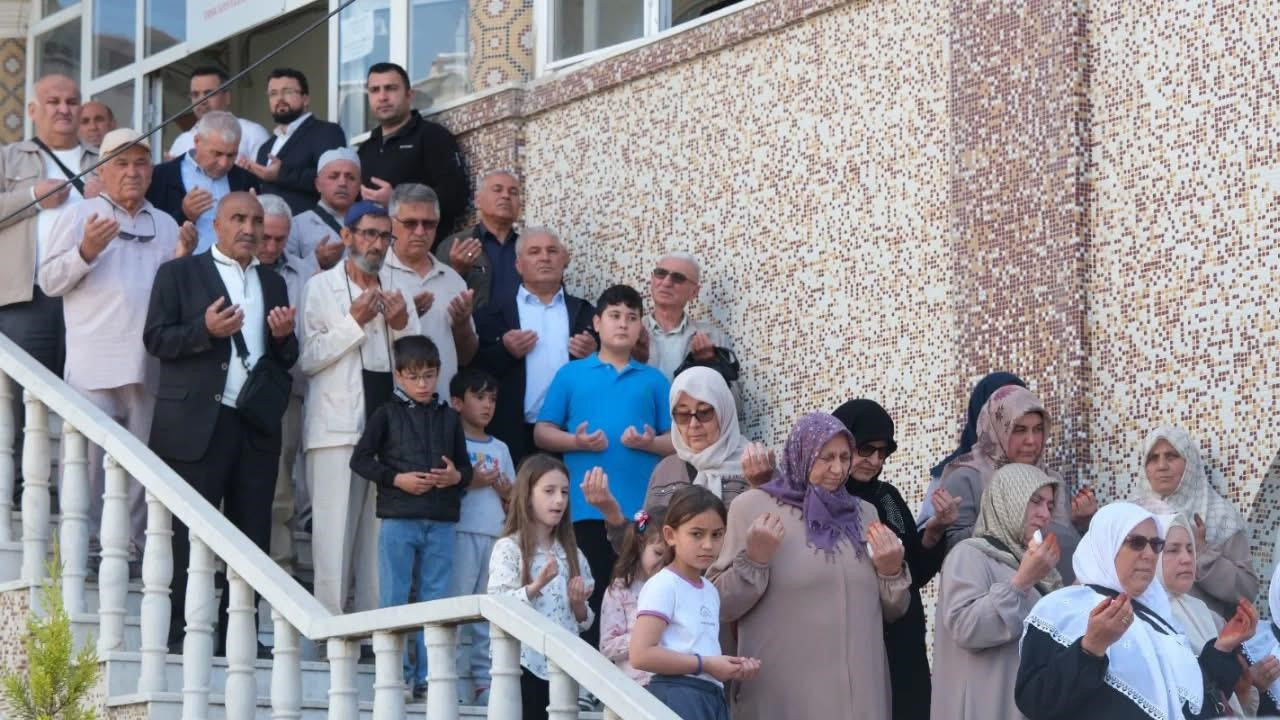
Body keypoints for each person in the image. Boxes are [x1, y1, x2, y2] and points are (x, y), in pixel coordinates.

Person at [143, 191, 298, 653]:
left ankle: (241, 636)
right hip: (194, 422)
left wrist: (284, 338)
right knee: (185, 533)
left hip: (254, 425)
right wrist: (203, 331)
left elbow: (284, 357)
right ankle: (178, 632)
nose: (249, 229)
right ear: (217, 224)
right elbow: (155, 339)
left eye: (256, 220)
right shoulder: (179, 273)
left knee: (252, 534)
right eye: (238, 218)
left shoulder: (274, 282)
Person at [39, 128, 194, 562]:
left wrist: (183, 262)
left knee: (143, 464)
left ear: (151, 172)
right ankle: (85, 549)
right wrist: (86, 250)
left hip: (149, 364)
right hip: (95, 361)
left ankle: (134, 548)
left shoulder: (165, 223)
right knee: (89, 464)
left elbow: (173, 296)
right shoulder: (79, 215)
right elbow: (49, 282)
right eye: (121, 164)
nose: (132, 172)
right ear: (102, 171)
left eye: (140, 163)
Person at [708, 412, 911, 720]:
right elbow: (718, 603)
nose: (838, 469)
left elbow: (894, 610)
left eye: (845, 457)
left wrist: (891, 571)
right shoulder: (753, 507)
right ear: (802, 453)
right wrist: (754, 560)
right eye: (826, 457)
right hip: (785, 697)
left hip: (861, 698)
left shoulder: (864, 514)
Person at [1016, 502, 1256, 719]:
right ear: (1107, 544)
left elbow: (1188, 702)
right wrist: (1090, 649)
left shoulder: (1159, 617)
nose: (1149, 554)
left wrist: (1222, 649)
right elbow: (1035, 702)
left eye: (1156, 544)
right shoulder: (1061, 608)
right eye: (1137, 543)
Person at [535, 284, 674, 647]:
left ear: (641, 327)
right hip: (583, 510)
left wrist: (649, 443)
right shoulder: (571, 375)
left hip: (642, 513)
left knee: (638, 592)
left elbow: (677, 442)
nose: (623, 324)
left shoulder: (654, 380)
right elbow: (542, 432)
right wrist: (576, 442)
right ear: (597, 323)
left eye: (632, 317)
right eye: (614, 316)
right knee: (588, 593)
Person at [299, 200, 419, 615]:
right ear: (347, 235)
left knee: (380, 542)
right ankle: (329, 630)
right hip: (337, 431)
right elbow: (309, 358)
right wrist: (353, 322)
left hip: (388, 433)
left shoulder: (397, 290)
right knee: (333, 538)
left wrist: (403, 326)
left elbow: (418, 363)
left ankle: (373, 631)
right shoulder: (320, 288)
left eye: (385, 236)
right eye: (369, 234)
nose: (377, 244)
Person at [350, 335, 471, 699]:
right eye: (414, 376)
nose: (422, 384)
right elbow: (360, 460)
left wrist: (455, 477)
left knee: (436, 602)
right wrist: (396, 479)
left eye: (429, 375)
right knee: (394, 596)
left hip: (441, 520)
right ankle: (396, 675)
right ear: (398, 376)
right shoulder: (386, 413)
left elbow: (465, 468)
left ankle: (429, 677)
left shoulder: (449, 417)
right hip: (398, 518)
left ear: (438, 373)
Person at [833, 398, 959, 720]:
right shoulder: (822, 503)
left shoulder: (886, 497)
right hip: (854, 642)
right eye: (866, 449)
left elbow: (913, 572)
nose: (875, 461)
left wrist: (934, 531)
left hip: (902, 638)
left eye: (883, 452)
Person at [931, 463, 1063, 720]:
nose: (1045, 514)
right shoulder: (969, 554)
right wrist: (1021, 583)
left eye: (1049, 506)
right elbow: (966, 627)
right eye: (1035, 501)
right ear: (1007, 499)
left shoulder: (1037, 567)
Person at [585, 367, 755, 551]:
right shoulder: (665, 470)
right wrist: (611, 512)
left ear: (724, 410)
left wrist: (759, 485)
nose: (693, 424)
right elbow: (644, 543)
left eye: (704, 412)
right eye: (682, 415)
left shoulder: (754, 464)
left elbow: (766, 541)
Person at [0, 73, 96, 398]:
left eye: (71, 102)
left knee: (85, 400)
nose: (64, 109)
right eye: (53, 102)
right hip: (26, 298)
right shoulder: (8, 157)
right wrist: (33, 197)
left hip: (90, 296)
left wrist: (107, 198)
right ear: (32, 110)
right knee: (22, 398)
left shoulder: (104, 161)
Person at [939, 384, 1094, 583]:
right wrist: (1004, 516)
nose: (1031, 440)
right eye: (1019, 430)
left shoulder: (1051, 479)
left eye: (1038, 429)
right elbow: (951, 552)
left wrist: (1081, 524)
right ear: (998, 429)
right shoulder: (967, 477)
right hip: (993, 591)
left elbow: (1063, 544)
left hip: (1056, 593)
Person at [630, 486, 761, 720]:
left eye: (717, 535)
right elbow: (641, 654)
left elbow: (701, 648)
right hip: (677, 694)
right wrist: (706, 664)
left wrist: (732, 667)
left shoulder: (710, 590)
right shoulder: (664, 584)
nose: (708, 545)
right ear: (670, 535)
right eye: (697, 534)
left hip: (711, 698)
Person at [471, 228, 596, 464]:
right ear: (518, 265)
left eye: (552, 251)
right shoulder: (492, 315)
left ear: (564, 259)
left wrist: (594, 355)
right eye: (534, 252)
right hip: (514, 434)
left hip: (574, 435)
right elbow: (474, 368)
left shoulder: (587, 314)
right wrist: (504, 352)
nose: (544, 258)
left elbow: (612, 366)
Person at [486, 454, 594, 720]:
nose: (559, 500)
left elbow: (584, 620)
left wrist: (578, 602)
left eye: (564, 492)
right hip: (523, 663)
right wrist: (537, 585)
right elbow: (498, 605)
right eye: (549, 491)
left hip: (563, 665)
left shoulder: (572, 553)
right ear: (527, 495)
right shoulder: (509, 547)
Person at [1139, 501, 1272, 716]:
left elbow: (1224, 693)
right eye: (1172, 550)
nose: (1186, 559)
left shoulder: (1202, 611)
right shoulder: (1140, 616)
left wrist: (1243, 688)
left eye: (1190, 549)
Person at [1135, 425, 1258, 619]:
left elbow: (1247, 590)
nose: (1161, 465)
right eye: (1153, 458)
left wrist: (1201, 553)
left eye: (1171, 456)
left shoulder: (1219, 516)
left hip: (1204, 633)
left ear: (1190, 463)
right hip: (1141, 629)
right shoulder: (1131, 515)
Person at [447, 366, 515, 704]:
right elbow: (446, 484)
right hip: (460, 532)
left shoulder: (500, 447)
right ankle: (450, 676)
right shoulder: (451, 441)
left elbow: (514, 496)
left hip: (494, 535)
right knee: (456, 606)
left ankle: (483, 679)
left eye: (492, 399)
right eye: (479, 397)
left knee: (487, 610)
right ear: (458, 402)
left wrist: (505, 491)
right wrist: (469, 480)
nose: (487, 405)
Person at [255, 193, 312, 570]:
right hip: (233, 388)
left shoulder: (305, 273)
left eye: (281, 239)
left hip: (286, 388)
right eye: (266, 238)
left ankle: (280, 563)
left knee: (280, 483)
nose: (272, 247)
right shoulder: (229, 267)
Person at [383, 182, 477, 395]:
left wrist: (462, 325)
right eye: (410, 223)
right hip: (390, 404)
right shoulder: (375, 276)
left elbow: (466, 358)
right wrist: (405, 320)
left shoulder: (453, 280)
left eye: (429, 224)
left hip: (441, 404)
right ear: (391, 224)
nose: (420, 231)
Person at [358, 62, 468, 238]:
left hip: (423, 248)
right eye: (375, 90)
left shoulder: (432, 136)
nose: (382, 97)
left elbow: (456, 197)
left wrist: (397, 201)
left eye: (391, 88)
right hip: (376, 251)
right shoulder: (365, 150)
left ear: (409, 95)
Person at [919, 371, 1027, 526]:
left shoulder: (1038, 472)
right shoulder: (953, 473)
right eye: (1003, 408)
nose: (1013, 417)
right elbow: (924, 531)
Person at [634, 253, 740, 407]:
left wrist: (711, 364)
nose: (666, 282)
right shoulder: (630, 332)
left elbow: (734, 406)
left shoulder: (712, 337)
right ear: (652, 280)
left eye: (678, 278)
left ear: (694, 292)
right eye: (661, 273)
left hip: (691, 421)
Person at [147, 111, 261, 253]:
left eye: (231, 155)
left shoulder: (247, 181)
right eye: (217, 153)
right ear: (197, 141)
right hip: (181, 263)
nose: (224, 163)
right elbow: (149, 229)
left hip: (232, 264)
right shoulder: (161, 176)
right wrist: (184, 214)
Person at [236, 68, 347, 215]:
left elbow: (334, 180)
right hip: (270, 227)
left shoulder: (326, 132)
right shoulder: (266, 147)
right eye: (273, 93)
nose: (280, 98)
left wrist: (281, 174)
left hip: (312, 225)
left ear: (305, 99)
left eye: (287, 91)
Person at [600, 505, 668, 687]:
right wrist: (645, 635)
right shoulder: (620, 590)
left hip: (670, 683)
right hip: (635, 686)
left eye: (671, 557)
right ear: (640, 544)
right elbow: (607, 646)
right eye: (658, 553)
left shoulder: (675, 589)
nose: (664, 562)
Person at [436, 169, 521, 308]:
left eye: (513, 192)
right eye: (497, 190)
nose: (506, 196)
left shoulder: (530, 248)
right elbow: (437, 299)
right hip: (472, 322)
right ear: (478, 200)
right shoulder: (455, 245)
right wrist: (457, 271)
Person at [167, 66, 269, 161]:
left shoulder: (253, 133)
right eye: (195, 94)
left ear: (227, 97)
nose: (201, 101)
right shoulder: (182, 141)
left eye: (209, 93)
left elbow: (265, 173)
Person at [287, 147, 360, 272]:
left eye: (351, 177)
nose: (343, 183)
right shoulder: (296, 226)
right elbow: (285, 273)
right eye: (334, 176)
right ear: (318, 184)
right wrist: (315, 260)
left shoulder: (375, 225)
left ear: (359, 186)